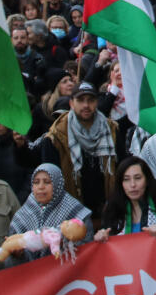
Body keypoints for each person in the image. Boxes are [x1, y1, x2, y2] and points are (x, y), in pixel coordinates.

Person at [36, 81, 119, 214]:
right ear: (71, 103)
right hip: (72, 215)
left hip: (108, 211)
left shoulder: (112, 130)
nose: (86, 105)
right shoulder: (55, 138)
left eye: (90, 100)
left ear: (97, 102)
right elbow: (52, 181)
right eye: (80, 100)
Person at [5, 165, 94, 264]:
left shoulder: (76, 213)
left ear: (57, 184)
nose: (41, 187)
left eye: (47, 182)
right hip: (32, 277)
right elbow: (9, 264)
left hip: (68, 274)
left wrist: (63, 244)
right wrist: (18, 255)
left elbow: (87, 252)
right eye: (36, 182)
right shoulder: (21, 217)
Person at [93, 157, 156, 239]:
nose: (133, 185)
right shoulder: (112, 210)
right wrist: (101, 239)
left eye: (138, 178)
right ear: (121, 184)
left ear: (147, 180)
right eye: (126, 179)